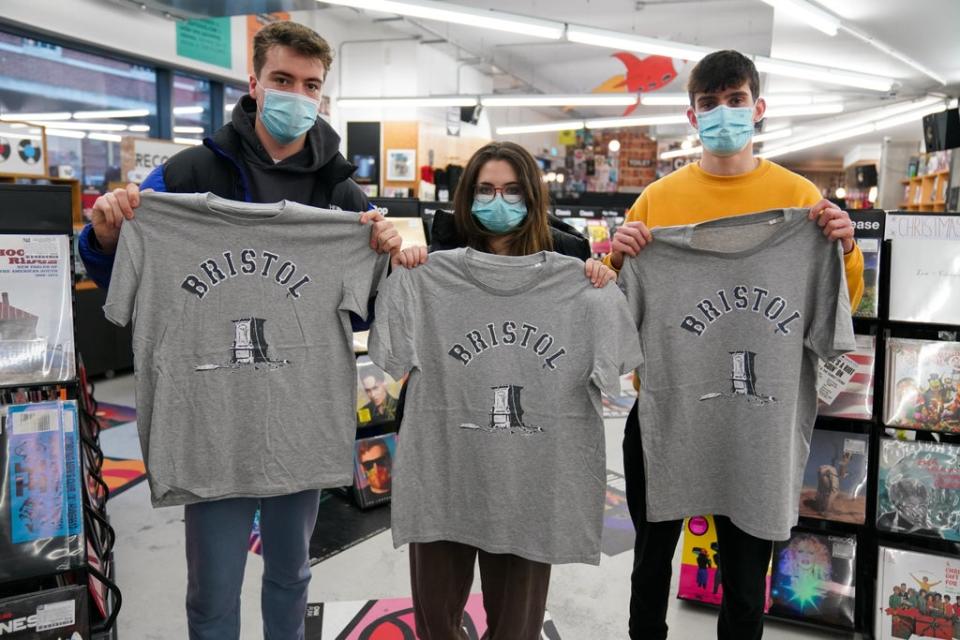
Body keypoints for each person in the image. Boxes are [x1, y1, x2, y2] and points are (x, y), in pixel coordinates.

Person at [77, 21, 400, 640]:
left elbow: (363, 314)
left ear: (323, 94)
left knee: (291, 574)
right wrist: (107, 233)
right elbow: (121, 273)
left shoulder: (341, 194)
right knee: (211, 591)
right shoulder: (187, 174)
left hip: (299, 423)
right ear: (254, 83)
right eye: (283, 79)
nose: (297, 96)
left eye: (311, 85)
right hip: (211, 421)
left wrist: (381, 258)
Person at [604, 50, 865, 640]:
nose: (724, 113)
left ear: (759, 107)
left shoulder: (803, 202)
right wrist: (619, 260)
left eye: (736, 100)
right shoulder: (656, 201)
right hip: (668, 416)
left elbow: (837, 316)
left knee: (747, 586)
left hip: (759, 422)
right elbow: (619, 319)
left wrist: (843, 250)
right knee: (650, 567)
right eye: (709, 104)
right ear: (692, 117)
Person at [391, 141, 616, 640]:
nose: (499, 200)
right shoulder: (434, 260)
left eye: (513, 190)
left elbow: (611, 361)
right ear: (467, 196)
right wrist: (406, 272)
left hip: (533, 465)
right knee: (435, 611)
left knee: (517, 620)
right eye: (486, 190)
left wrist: (601, 284)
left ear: (532, 196)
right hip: (444, 455)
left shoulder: (570, 259)